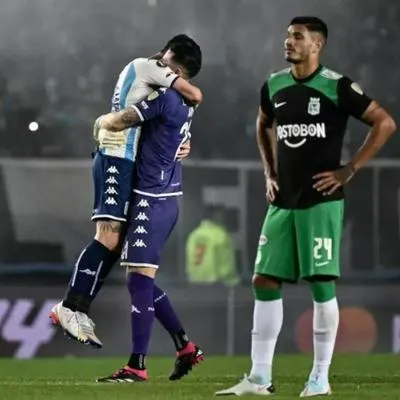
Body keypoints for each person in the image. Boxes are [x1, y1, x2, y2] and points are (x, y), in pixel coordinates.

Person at [216, 16, 396, 397]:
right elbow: (263, 123)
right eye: (287, 36)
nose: (289, 42)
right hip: (283, 200)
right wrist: (269, 171)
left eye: (297, 37)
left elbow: (384, 123)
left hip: (321, 200)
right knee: (263, 279)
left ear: (317, 45)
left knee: (321, 284)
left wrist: (350, 169)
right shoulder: (275, 85)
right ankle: (260, 377)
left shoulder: (336, 85)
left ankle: (319, 378)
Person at [50, 35, 202, 349]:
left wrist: (181, 142)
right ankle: (70, 306)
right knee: (107, 236)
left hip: (125, 159)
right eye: (177, 72)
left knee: (116, 243)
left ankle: (78, 307)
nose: (174, 79)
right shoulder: (151, 66)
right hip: (116, 156)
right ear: (168, 55)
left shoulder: (150, 74)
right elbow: (194, 94)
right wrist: (107, 120)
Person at [95, 45, 203, 382]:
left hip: (152, 198)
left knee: (139, 279)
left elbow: (123, 120)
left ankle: (137, 365)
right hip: (162, 195)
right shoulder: (183, 103)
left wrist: (101, 122)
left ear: (178, 71)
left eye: (165, 62)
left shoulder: (167, 99)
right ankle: (185, 346)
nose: (158, 64)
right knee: (139, 278)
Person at [186, 205, 239, 286]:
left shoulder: (194, 235)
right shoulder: (220, 234)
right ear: (216, 216)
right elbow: (226, 262)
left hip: (196, 282)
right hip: (219, 283)